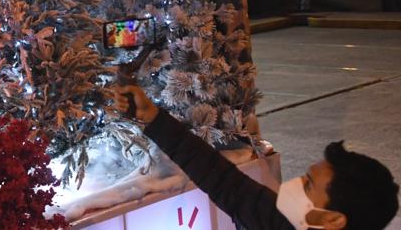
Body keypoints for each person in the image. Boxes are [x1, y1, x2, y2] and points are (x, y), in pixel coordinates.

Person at [112, 84, 399, 230]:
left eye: (309, 184)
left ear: (333, 220)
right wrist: (154, 118)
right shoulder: (281, 220)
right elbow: (224, 181)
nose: (296, 184)